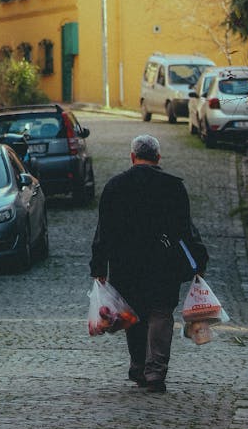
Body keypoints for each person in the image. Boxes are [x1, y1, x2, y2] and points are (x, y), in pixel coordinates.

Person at [89, 133, 208, 393]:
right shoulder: (173, 187)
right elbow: (185, 230)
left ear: (132, 157)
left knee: (135, 314)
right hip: (164, 263)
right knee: (161, 313)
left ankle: (138, 366)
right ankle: (155, 371)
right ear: (158, 157)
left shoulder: (115, 186)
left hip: (125, 263)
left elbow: (104, 231)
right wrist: (199, 260)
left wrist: (99, 266)